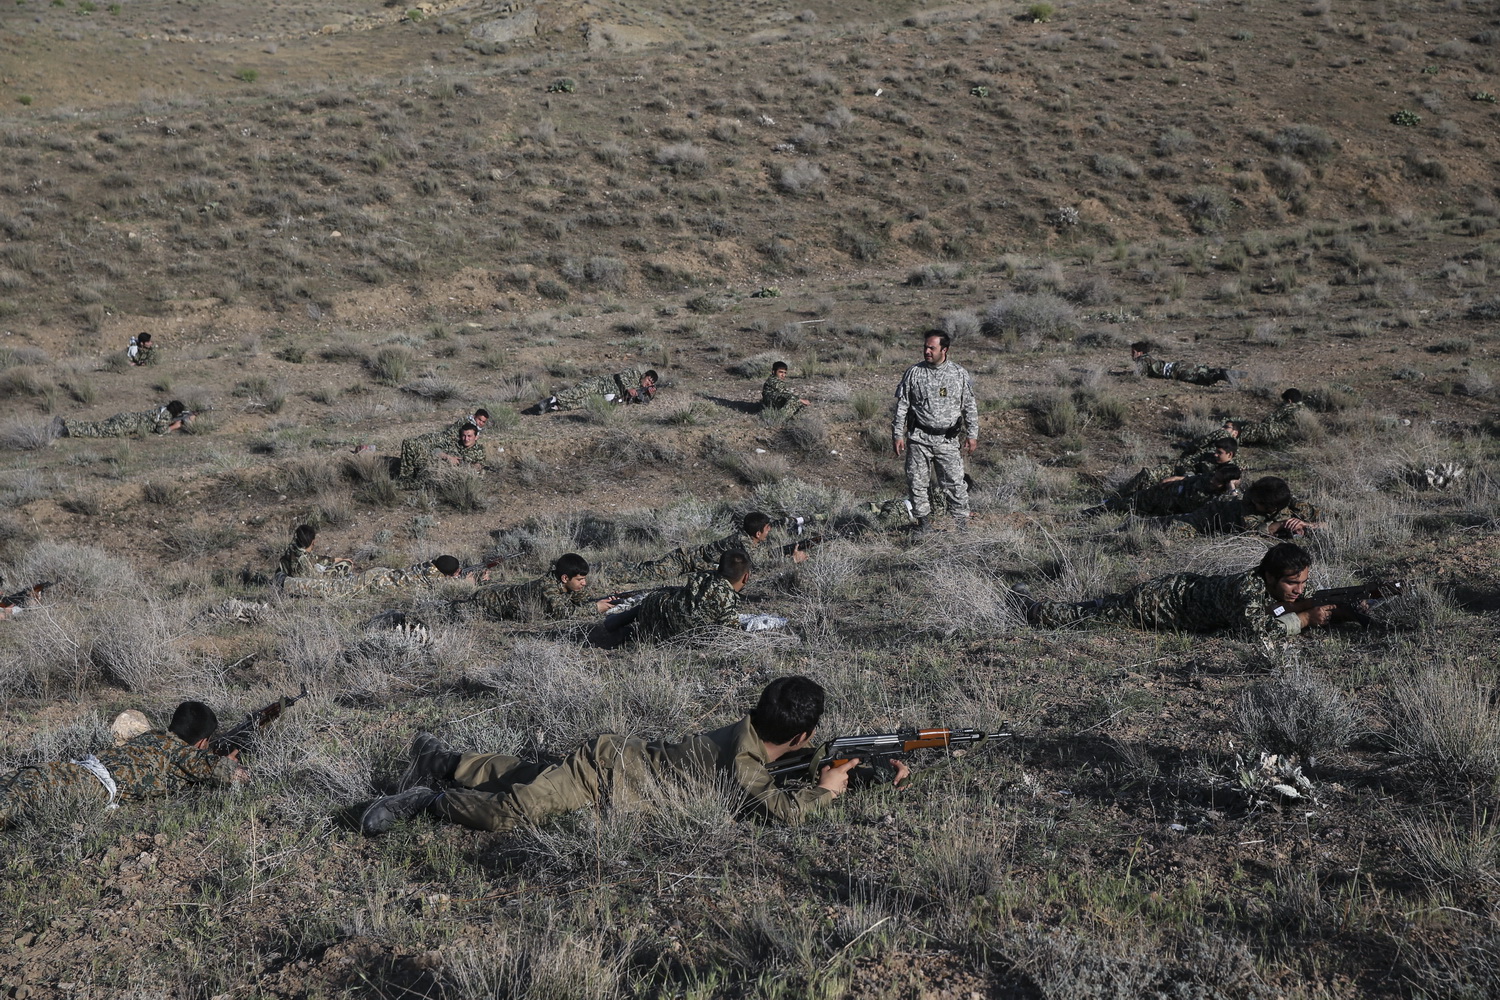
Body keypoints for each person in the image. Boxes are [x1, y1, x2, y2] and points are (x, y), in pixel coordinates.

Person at [356, 675, 910, 836]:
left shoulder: (748, 731)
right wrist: (830, 790)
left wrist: (859, 770)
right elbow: (782, 810)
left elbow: (788, 768)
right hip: (604, 776)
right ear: (802, 731)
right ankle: (427, 799)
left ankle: (443, 759)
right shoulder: (743, 762)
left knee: (525, 776)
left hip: (615, 765)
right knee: (513, 812)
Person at [1021, 542, 1350, 641]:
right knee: (1088, 617)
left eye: (1303, 583)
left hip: (1176, 591)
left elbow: (1272, 609)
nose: (1298, 589)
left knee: (1103, 607)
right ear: (1269, 576)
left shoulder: (1262, 585)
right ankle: (1029, 606)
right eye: (1291, 584)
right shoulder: (1247, 588)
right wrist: (1305, 618)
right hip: (1159, 603)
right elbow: (1258, 633)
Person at [0, 701, 248, 829]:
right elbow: (235, 776)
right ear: (202, 741)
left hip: (61, 770)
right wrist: (228, 762)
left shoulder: (152, 736)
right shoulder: (184, 754)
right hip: (82, 786)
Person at [892, 331, 979, 532]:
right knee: (917, 484)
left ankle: (961, 527)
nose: (927, 351)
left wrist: (972, 434)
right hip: (919, 439)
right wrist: (897, 434)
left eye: (932, 348)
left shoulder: (958, 374)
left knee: (955, 484)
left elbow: (969, 406)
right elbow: (902, 406)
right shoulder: (914, 373)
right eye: (925, 347)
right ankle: (924, 526)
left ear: (944, 350)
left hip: (947, 440)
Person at [589, 549, 752, 647]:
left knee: (653, 600)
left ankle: (616, 621)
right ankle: (628, 633)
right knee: (647, 633)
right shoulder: (728, 599)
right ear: (745, 577)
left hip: (657, 607)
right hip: (670, 634)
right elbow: (731, 636)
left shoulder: (707, 576)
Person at [621, 511, 808, 582]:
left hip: (692, 562)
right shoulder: (744, 543)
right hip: (684, 561)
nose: (769, 532)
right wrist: (791, 560)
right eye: (767, 529)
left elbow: (762, 556)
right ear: (758, 533)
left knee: (645, 568)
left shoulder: (749, 538)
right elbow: (759, 564)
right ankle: (606, 571)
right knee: (643, 574)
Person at [1137, 475, 1322, 538]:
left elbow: (1331, 520)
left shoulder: (1291, 503)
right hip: (1212, 515)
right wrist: (1282, 526)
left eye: (1257, 503)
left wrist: (1309, 526)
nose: (1251, 501)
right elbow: (1252, 531)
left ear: (1272, 508)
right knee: (1169, 526)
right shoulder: (1247, 505)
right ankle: (1134, 523)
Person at [463, 553, 618, 622]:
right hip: (489, 601)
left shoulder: (569, 584)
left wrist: (606, 601)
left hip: (507, 590)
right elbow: (563, 613)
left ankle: (483, 581)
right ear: (565, 578)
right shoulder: (547, 587)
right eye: (580, 579)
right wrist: (596, 608)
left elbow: (582, 600)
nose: (584, 583)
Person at [1084, 463, 1241, 518]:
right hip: (1160, 494)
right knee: (1122, 503)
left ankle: (1087, 513)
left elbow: (1236, 505)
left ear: (1226, 484)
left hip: (1161, 508)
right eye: (1214, 476)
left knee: (1122, 506)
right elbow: (1193, 478)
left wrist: (1232, 488)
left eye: (1218, 481)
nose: (1213, 480)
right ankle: (1090, 511)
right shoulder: (1209, 478)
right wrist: (1176, 478)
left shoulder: (1221, 499)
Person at [278, 555, 477, 598]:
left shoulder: (430, 567)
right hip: (373, 582)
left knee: (334, 583)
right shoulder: (436, 580)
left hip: (381, 575)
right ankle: (285, 583)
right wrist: (470, 584)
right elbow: (452, 592)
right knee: (332, 591)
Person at [1115, 438, 1238, 499]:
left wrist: (1178, 478)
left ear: (1230, 454)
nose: (1215, 454)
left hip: (1190, 487)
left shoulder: (1230, 470)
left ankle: (1132, 499)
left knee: (1158, 492)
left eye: (1219, 452)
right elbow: (1187, 462)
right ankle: (1120, 496)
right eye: (1215, 451)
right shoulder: (1209, 457)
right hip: (1184, 475)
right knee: (1150, 474)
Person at [397, 422, 486, 484]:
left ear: (476, 437)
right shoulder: (455, 444)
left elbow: (478, 467)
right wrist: (448, 457)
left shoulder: (479, 451)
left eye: (469, 436)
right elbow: (435, 451)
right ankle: (406, 477)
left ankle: (409, 480)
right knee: (409, 442)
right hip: (432, 466)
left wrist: (462, 464)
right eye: (464, 436)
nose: (466, 439)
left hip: (447, 477)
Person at [1129, 342, 1243, 387]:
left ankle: (1223, 374)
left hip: (1178, 372)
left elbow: (1139, 375)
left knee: (1203, 379)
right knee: (1204, 370)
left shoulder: (1142, 360)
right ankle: (1228, 372)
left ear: (1140, 352)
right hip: (1178, 366)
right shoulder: (1149, 358)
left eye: (1133, 352)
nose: (1132, 354)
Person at [56, 401, 192, 438]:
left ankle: (66, 422)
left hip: (126, 417)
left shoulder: (162, 409)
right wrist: (176, 426)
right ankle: (68, 430)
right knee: (97, 431)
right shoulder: (166, 415)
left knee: (97, 425)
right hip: (126, 425)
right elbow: (161, 431)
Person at [542, 368, 658, 412]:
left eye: (650, 383)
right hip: (600, 384)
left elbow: (642, 401)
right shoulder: (634, 373)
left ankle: (554, 407)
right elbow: (622, 376)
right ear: (644, 375)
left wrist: (650, 394)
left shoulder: (641, 390)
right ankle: (552, 399)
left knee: (582, 403)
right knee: (579, 392)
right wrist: (628, 388)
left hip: (605, 397)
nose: (648, 383)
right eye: (648, 380)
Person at [276, 525, 353, 578]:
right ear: (312, 542)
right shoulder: (303, 560)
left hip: (287, 579)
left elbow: (314, 558)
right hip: (309, 584)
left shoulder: (292, 550)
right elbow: (314, 578)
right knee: (347, 564)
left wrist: (334, 560)